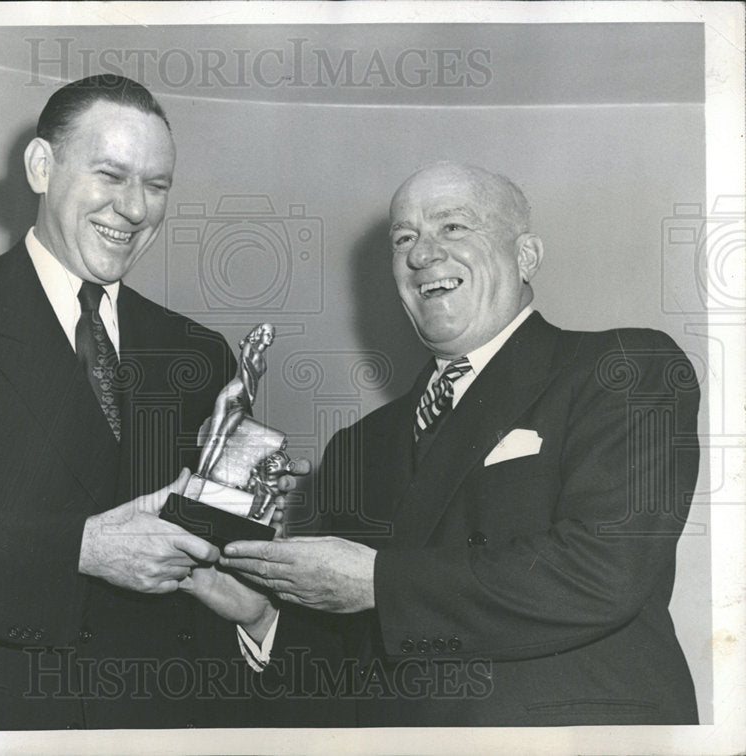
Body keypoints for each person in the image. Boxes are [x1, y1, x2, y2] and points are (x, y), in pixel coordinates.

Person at [0, 75, 296, 730]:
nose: (134, 208)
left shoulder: (199, 353)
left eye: (156, 185)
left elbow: (210, 574)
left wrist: (255, 568)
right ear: (41, 166)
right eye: (111, 174)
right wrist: (82, 547)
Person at [222, 162, 701, 726]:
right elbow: (351, 667)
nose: (421, 255)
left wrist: (378, 581)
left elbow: (605, 571)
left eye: (452, 228)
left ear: (526, 257)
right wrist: (262, 615)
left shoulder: (622, 367)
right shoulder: (359, 445)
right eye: (404, 238)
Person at [197, 322, 275, 481]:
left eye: (272, 336)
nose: (271, 338)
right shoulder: (248, 347)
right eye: (268, 334)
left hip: (243, 401)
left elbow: (254, 379)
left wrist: (250, 396)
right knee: (214, 435)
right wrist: (251, 394)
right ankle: (199, 474)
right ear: (259, 333)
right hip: (232, 393)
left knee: (224, 439)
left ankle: (206, 477)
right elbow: (246, 366)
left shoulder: (263, 363)